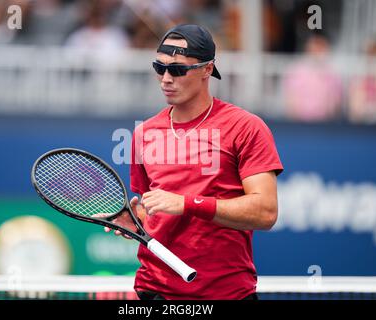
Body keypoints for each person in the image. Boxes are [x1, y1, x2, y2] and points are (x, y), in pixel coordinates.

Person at [104, 24, 283, 300]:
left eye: (177, 69)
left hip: (227, 293)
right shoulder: (143, 133)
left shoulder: (246, 127)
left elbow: (266, 212)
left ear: (207, 69)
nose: (165, 78)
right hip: (156, 290)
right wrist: (136, 220)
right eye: (159, 67)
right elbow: (154, 208)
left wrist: (188, 204)